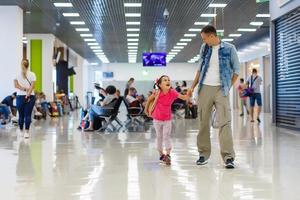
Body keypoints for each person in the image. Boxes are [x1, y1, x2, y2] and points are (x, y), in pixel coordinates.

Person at [190, 25, 240, 169]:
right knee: (203, 122)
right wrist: (192, 87)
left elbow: (236, 69)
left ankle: (228, 157)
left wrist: (227, 86)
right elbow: (200, 69)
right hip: (204, 88)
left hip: (221, 89)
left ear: (212, 36)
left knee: (225, 121)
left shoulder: (230, 48)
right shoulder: (204, 48)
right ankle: (203, 154)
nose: (204, 41)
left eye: (205, 38)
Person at [145, 75, 191, 165]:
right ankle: (161, 154)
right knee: (159, 137)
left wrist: (188, 93)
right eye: (165, 80)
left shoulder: (172, 92)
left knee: (166, 136)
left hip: (167, 119)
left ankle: (168, 155)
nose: (167, 81)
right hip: (157, 119)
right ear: (160, 84)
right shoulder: (157, 92)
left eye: (168, 80)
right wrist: (146, 110)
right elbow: (149, 100)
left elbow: (184, 97)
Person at [14, 59, 36, 138]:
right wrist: (28, 95)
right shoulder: (32, 74)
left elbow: (16, 86)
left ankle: (20, 131)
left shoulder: (17, 74)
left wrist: (23, 89)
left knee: (21, 115)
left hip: (19, 96)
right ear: (28, 65)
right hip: (31, 96)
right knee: (28, 115)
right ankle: (26, 132)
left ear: (21, 65)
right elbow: (32, 86)